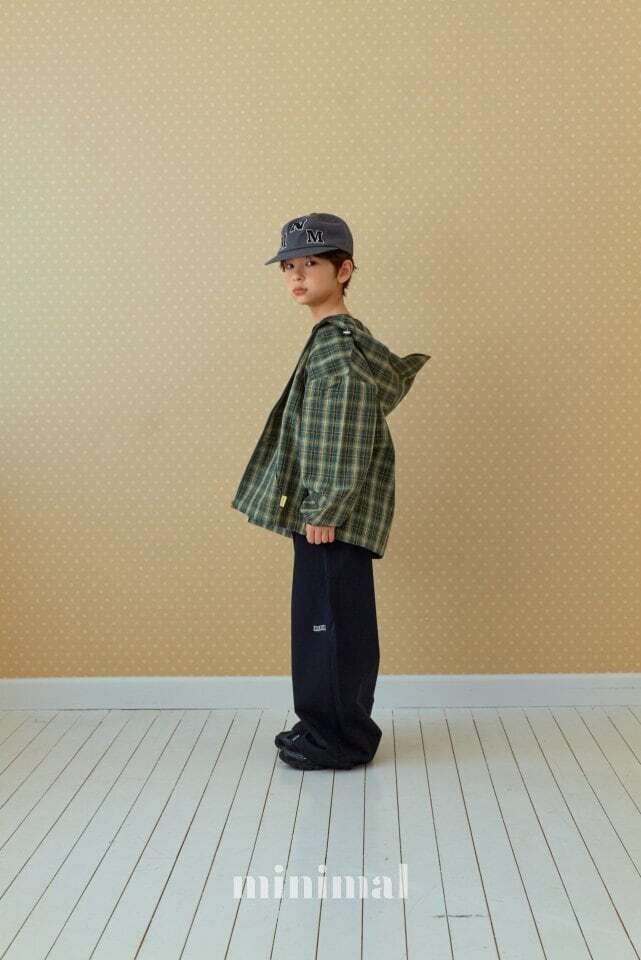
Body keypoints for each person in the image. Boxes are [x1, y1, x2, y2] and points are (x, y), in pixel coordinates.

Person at [231, 212, 430, 770]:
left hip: (328, 515)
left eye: (311, 263)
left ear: (344, 271)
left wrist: (324, 507)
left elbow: (342, 428)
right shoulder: (337, 340)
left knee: (328, 626)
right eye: (288, 266)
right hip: (328, 511)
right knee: (334, 619)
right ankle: (330, 726)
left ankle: (336, 738)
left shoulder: (336, 349)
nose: (296, 276)